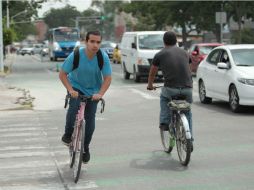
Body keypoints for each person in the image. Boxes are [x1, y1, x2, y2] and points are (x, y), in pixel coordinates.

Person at [59, 30, 112, 163]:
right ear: (86, 42)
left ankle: (85, 147)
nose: (95, 45)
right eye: (92, 41)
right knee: (74, 107)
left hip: (93, 91)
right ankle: (67, 134)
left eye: (98, 42)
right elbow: (62, 74)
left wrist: (100, 94)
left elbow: (107, 78)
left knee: (90, 119)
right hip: (75, 87)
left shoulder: (102, 57)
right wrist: (70, 90)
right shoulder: (76, 54)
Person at [147, 31, 193, 149]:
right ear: (176, 41)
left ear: (164, 41)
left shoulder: (160, 54)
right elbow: (189, 67)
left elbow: (152, 72)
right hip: (188, 89)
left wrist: (150, 85)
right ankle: (190, 139)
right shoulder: (185, 53)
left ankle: (164, 122)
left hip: (170, 89)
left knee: (164, 99)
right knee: (187, 111)